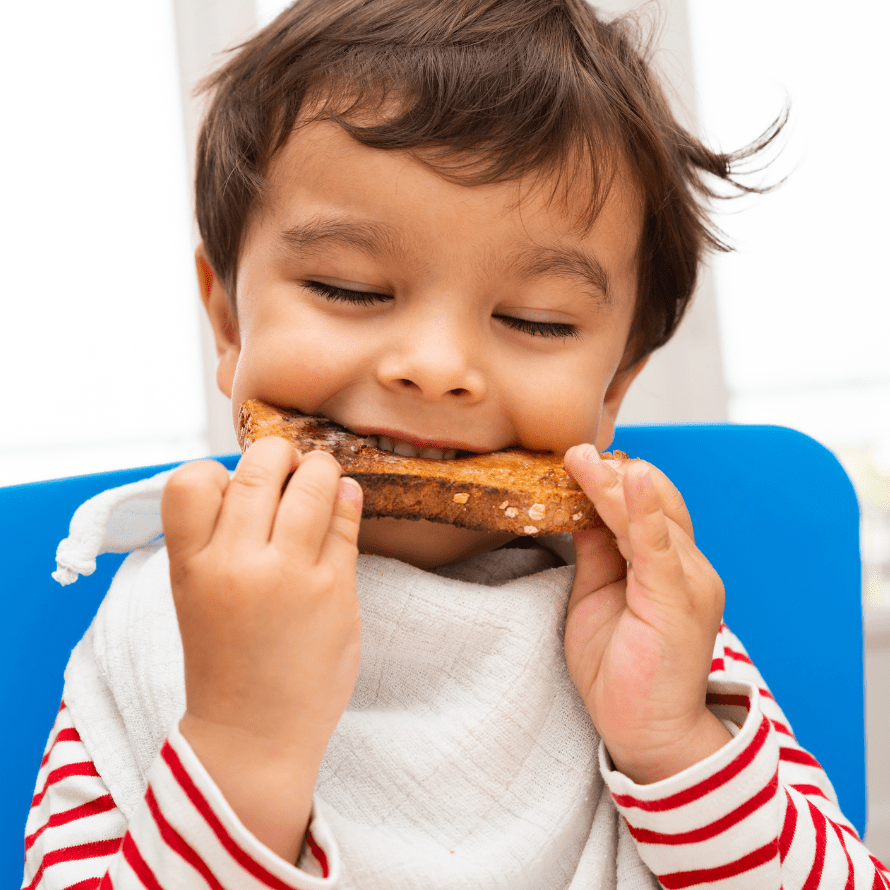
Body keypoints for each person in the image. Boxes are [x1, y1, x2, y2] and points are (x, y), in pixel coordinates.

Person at [21, 0, 890, 888]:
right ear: (228, 322)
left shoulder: (652, 634)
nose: (437, 368)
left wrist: (672, 744)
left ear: (614, 388)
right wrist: (244, 745)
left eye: (535, 321)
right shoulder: (161, 623)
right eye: (347, 288)